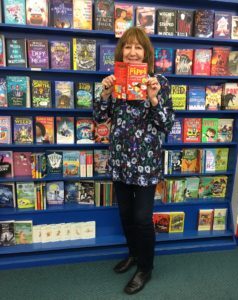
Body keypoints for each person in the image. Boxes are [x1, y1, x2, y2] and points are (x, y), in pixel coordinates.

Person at [94, 27, 174, 294]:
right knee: (126, 214)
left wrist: (153, 99)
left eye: (138, 47)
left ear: (146, 53)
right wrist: (104, 94)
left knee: (141, 218)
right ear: (121, 52)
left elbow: (166, 124)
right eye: (127, 47)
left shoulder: (159, 82)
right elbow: (99, 119)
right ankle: (133, 253)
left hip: (146, 161)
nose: (132, 52)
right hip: (120, 159)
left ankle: (145, 267)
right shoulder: (115, 81)